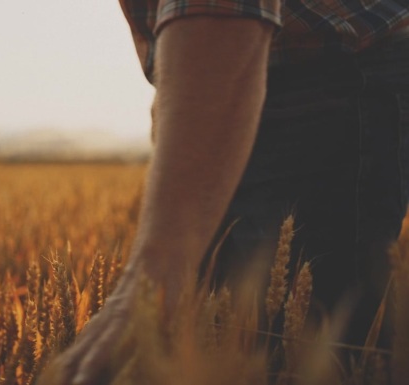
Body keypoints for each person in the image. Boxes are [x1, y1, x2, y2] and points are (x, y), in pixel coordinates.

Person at [45, 1, 409, 384]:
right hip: (257, 72)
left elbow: (227, 7)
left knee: (304, 359)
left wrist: (151, 280)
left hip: (319, 80)